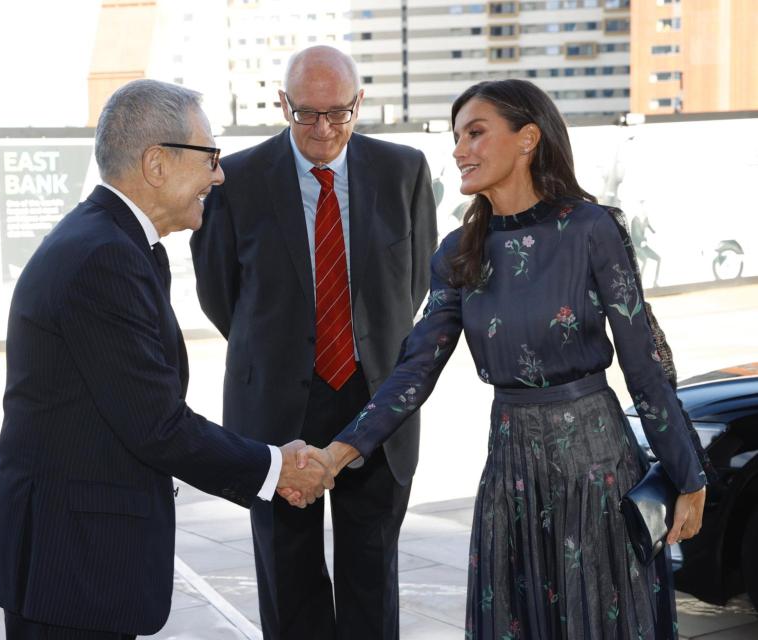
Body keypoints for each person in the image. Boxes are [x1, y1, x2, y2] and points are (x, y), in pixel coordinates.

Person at [300, 79, 709, 639]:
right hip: (511, 473)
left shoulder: (592, 229)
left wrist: (689, 477)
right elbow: (414, 370)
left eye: (475, 133)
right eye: (456, 136)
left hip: (597, 470)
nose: (459, 150)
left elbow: (644, 363)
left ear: (527, 138)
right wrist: (337, 453)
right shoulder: (457, 253)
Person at [0, 79, 333, 640]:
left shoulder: (111, 242)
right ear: (157, 163)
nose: (219, 173)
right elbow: (157, 424)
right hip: (70, 563)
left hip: (72, 554)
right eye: (210, 155)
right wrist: (275, 467)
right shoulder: (104, 258)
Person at [190, 46, 437, 639]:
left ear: (358, 103)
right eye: (306, 114)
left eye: (339, 113)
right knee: (287, 577)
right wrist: (281, 353)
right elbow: (220, 295)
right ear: (282, 105)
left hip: (375, 401)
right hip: (276, 408)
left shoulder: (404, 171)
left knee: (372, 577)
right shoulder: (236, 179)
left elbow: (418, 282)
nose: (324, 129)